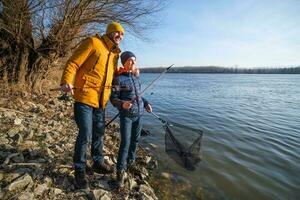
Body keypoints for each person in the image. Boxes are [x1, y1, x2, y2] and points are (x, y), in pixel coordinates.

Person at [60, 22, 124, 189]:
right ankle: (79, 169)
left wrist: (127, 73)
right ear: (110, 32)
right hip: (84, 97)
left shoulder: (116, 54)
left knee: (99, 132)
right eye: (118, 33)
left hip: (101, 101)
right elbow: (73, 63)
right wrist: (67, 81)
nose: (120, 36)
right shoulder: (93, 42)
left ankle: (97, 162)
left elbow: (111, 76)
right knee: (86, 133)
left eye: (122, 35)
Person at [110, 51, 152, 187]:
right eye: (130, 61)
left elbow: (139, 96)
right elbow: (113, 98)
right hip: (126, 116)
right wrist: (122, 104)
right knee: (125, 143)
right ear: (124, 62)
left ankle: (131, 162)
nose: (133, 63)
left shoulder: (136, 78)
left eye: (134, 61)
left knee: (135, 140)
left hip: (139, 115)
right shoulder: (118, 79)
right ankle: (120, 171)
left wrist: (146, 104)